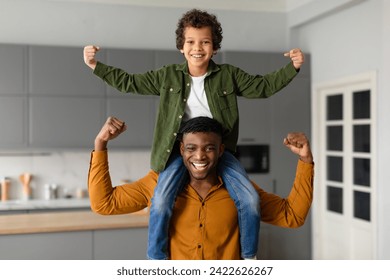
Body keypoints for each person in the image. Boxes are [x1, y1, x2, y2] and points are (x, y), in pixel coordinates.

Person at [83, 9, 305, 260]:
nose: (197, 48)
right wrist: (95, 66)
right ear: (181, 47)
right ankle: (156, 259)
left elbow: (262, 87)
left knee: (250, 199)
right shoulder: (167, 76)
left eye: (205, 42)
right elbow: (130, 81)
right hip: (176, 151)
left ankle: (249, 257)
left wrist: (292, 68)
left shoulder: (228, 75)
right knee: (161, 201)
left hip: (220, 152)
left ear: (215, 47)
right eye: (190, 42)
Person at [88, 116, 314, 260]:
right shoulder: (157, 185)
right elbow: (103, 204)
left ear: (221, 150)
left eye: (209, 148)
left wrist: (305, 160)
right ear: (181, 150)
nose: (199, 156)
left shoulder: (241, 191)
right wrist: (100, 144)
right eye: (191, 148)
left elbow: (292, 216)